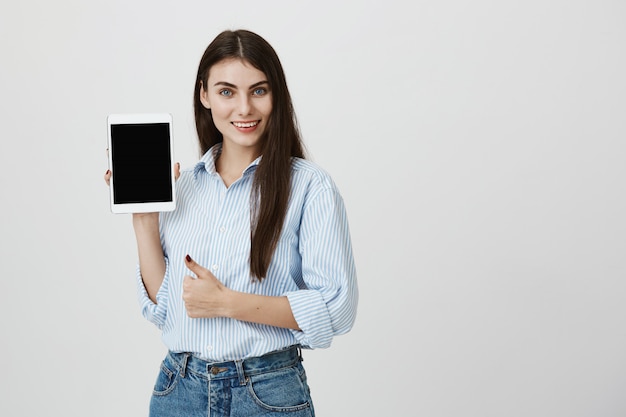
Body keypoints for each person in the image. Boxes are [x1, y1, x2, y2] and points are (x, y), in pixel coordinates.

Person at [105, 29, 358, 417]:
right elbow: (166, 308)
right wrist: (144, 221)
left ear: (277, 96)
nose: (244, 108)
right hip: (179, 389)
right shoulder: (184, 185)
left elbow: (336, 307)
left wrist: (228, 303)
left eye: (258, 90)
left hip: (267, 393)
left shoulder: (310, 187)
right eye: (227, 92)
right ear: (204, 95)